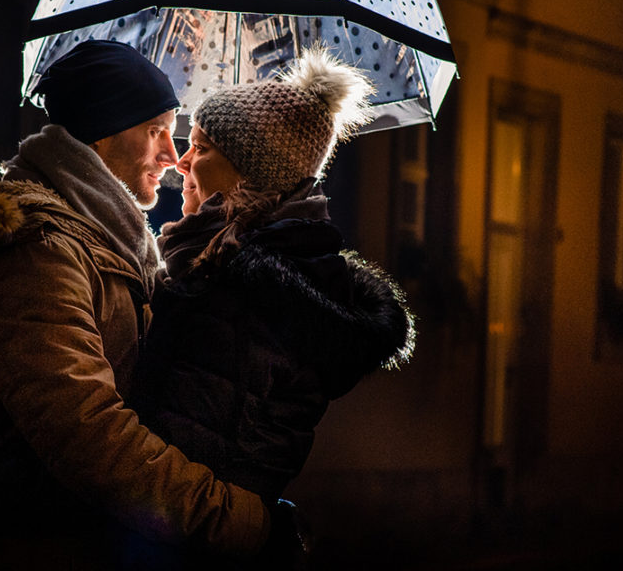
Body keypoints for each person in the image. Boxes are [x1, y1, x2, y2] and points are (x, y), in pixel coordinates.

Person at [0, 40, 279, 569]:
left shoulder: (110, 242)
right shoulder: (34, 252)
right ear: (103, 133)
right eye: (156, 129)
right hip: (31, 549)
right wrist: (235, 520)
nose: (171, 153)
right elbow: (89, 435)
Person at [125, 46, 417, 568]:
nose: (183, 161)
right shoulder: (223, 263)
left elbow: (197, 440)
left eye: (205, 147)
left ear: (250, 176)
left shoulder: (246, 286)